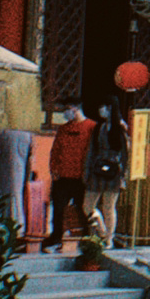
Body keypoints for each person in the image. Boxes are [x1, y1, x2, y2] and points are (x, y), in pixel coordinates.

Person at [42, 103, 93, 251]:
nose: (65, 112)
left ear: (75, 109)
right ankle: (56, 237)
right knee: (58, 208)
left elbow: (94, 152)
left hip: (81, 178)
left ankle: (88, 238)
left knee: (84, 209)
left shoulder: (91, 127)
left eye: (67, 109)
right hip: (62, 177)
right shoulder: (63, 129)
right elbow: (55, 150)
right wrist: (53, 169)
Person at [82, 101, 128, 244]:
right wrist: (87, 170)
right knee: (87, 206)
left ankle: (109, 239)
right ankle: (102, 231)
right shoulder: (98, 128)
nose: (101, 110)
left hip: (114, 169)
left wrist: (123, 174)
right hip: (98, 167)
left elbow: (125, 153)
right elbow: (91, 150)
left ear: (110, 109)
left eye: (104, 107)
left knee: (109, 207)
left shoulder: (120, 128)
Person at [0, 128, 34, 248]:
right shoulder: (28, 134)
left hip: (3, 171)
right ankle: (19, 230)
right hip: (21, 171)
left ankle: (3, 232)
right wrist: (28, 177)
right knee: (17, 200)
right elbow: (31, 158)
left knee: (4, 201)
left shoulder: (1, 131)